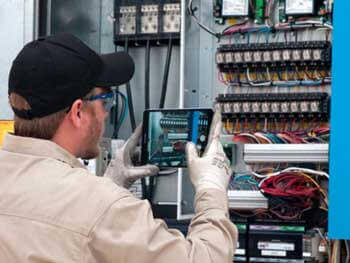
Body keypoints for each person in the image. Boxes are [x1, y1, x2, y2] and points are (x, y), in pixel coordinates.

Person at [0, 33, 237, 262]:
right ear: (78, 112)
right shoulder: (103, 206)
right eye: (105, 101)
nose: (106, 113)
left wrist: (108, 186)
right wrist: (211, 190)